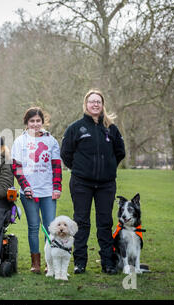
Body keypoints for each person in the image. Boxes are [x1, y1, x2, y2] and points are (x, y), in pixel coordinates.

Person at [60, 88, 125, 275]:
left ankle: (108, 263)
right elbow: (66, 153)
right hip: (81, 183)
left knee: (105, 222)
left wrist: (109, 167)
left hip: (106, 184)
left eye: (98, 101)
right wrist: (80, 169)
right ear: (86, 105)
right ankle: (80, 263)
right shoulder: (75, 128)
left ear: (102, 105)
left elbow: (120, 152)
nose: (95, 104)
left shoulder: (111, 129)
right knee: (81, 222)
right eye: (92, 101)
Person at [11, 107, 62, 274]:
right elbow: (16, 168)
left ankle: (50, 262)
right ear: (26, 123)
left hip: (48, 191)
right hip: (29, 192)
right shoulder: (20, 141)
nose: (35, 124)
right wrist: (25, 186)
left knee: (51, 227)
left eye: (38, 121)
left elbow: (56, 166)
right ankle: (36, 263)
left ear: (42, 122)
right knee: (33, 227)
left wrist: (57, 187)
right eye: (31, 121)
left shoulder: (51, 141)